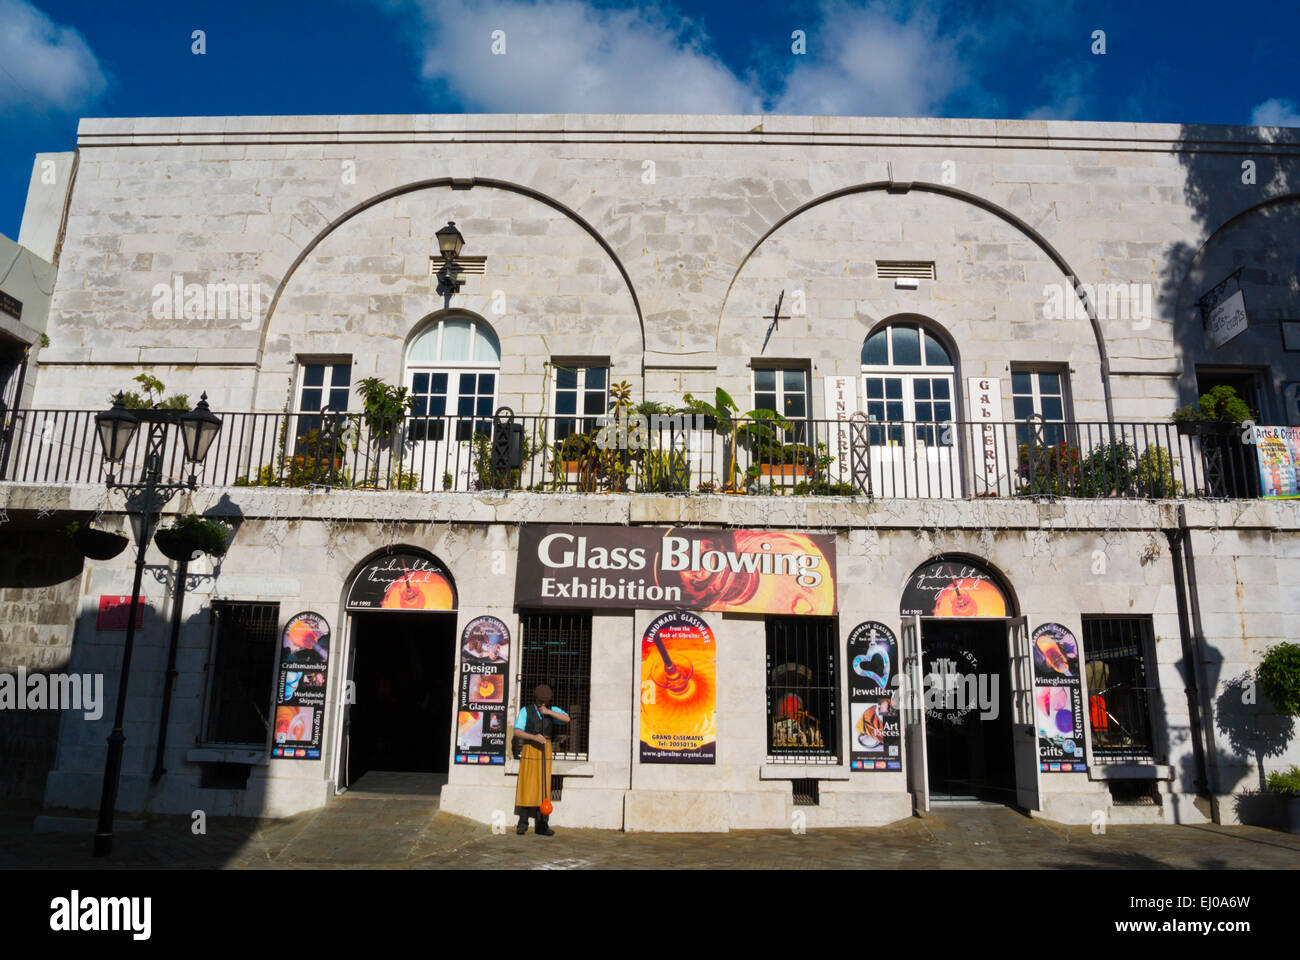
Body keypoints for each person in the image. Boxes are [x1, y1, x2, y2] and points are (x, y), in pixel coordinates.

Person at [513, 683, 569, 836]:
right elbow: (517, 731)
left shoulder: (552, 710)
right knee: (527, 783)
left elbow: (567, 719)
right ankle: (522, 823)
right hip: (530, 747)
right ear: (536, 699)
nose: (542, 704)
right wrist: (533, 737)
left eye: (545, 701)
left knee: (544, 784)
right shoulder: (526, 710)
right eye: (540, 702)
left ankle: (542, 824)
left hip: (546, 748)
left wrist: (549, 712)